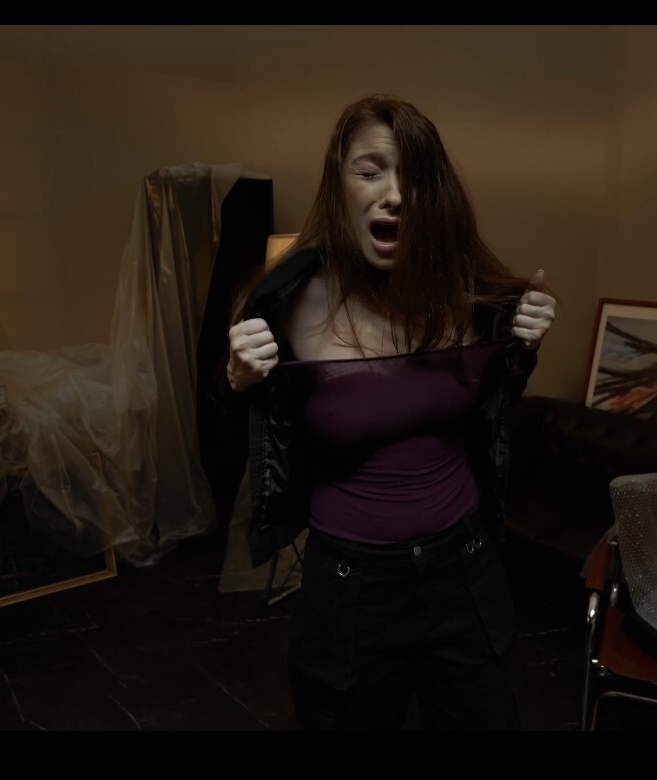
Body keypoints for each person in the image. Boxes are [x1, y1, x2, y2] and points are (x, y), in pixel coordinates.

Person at [224, 94, 557, 731]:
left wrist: (524, 347)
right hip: (351, 588)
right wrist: (239, 381)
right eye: (370, 171)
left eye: (412, 176)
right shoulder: (285, 302)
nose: (394, 195)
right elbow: (242, 434)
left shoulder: (467, 292)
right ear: (338, 184)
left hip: (464, 570)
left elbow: (488, 414)